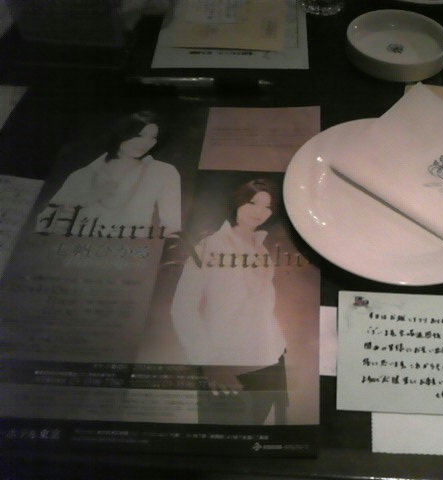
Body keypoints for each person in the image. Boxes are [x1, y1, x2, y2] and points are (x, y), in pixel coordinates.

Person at [170, 178, 288, 425]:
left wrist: (278, 343)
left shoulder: (262, 251)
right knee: (223, 433)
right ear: (238, 202)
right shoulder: (209, 245)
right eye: (252, 202)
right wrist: (209, 362)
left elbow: (263, 305)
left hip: (269, 361)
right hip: (226, 363)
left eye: (267, 207)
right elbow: (183, 308)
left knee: (257, 434)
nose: (259, 212)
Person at [37, 110, 181, 237]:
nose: (146, 143)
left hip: (130, 252)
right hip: (79, 250)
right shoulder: (82, 175)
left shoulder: (163, 172)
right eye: (139, 135)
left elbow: (172, 228)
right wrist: (85, 199)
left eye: (153, 137)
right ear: (122, 133)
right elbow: (44, 224)